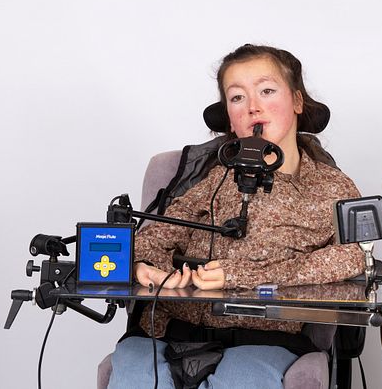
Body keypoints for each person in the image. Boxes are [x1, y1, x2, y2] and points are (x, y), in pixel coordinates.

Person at [108, 44, 365, 389]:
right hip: (170, 332)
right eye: (237, 98)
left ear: (298, 102)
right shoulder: (213, 178)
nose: (253, 106)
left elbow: (353, 256)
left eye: (267, 91)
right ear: (229, 116)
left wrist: (240, 275)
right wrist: (146, 265)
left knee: (242, 379)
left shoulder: (332, 185)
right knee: (135, 376)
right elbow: (157, 235)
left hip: (264, 338)